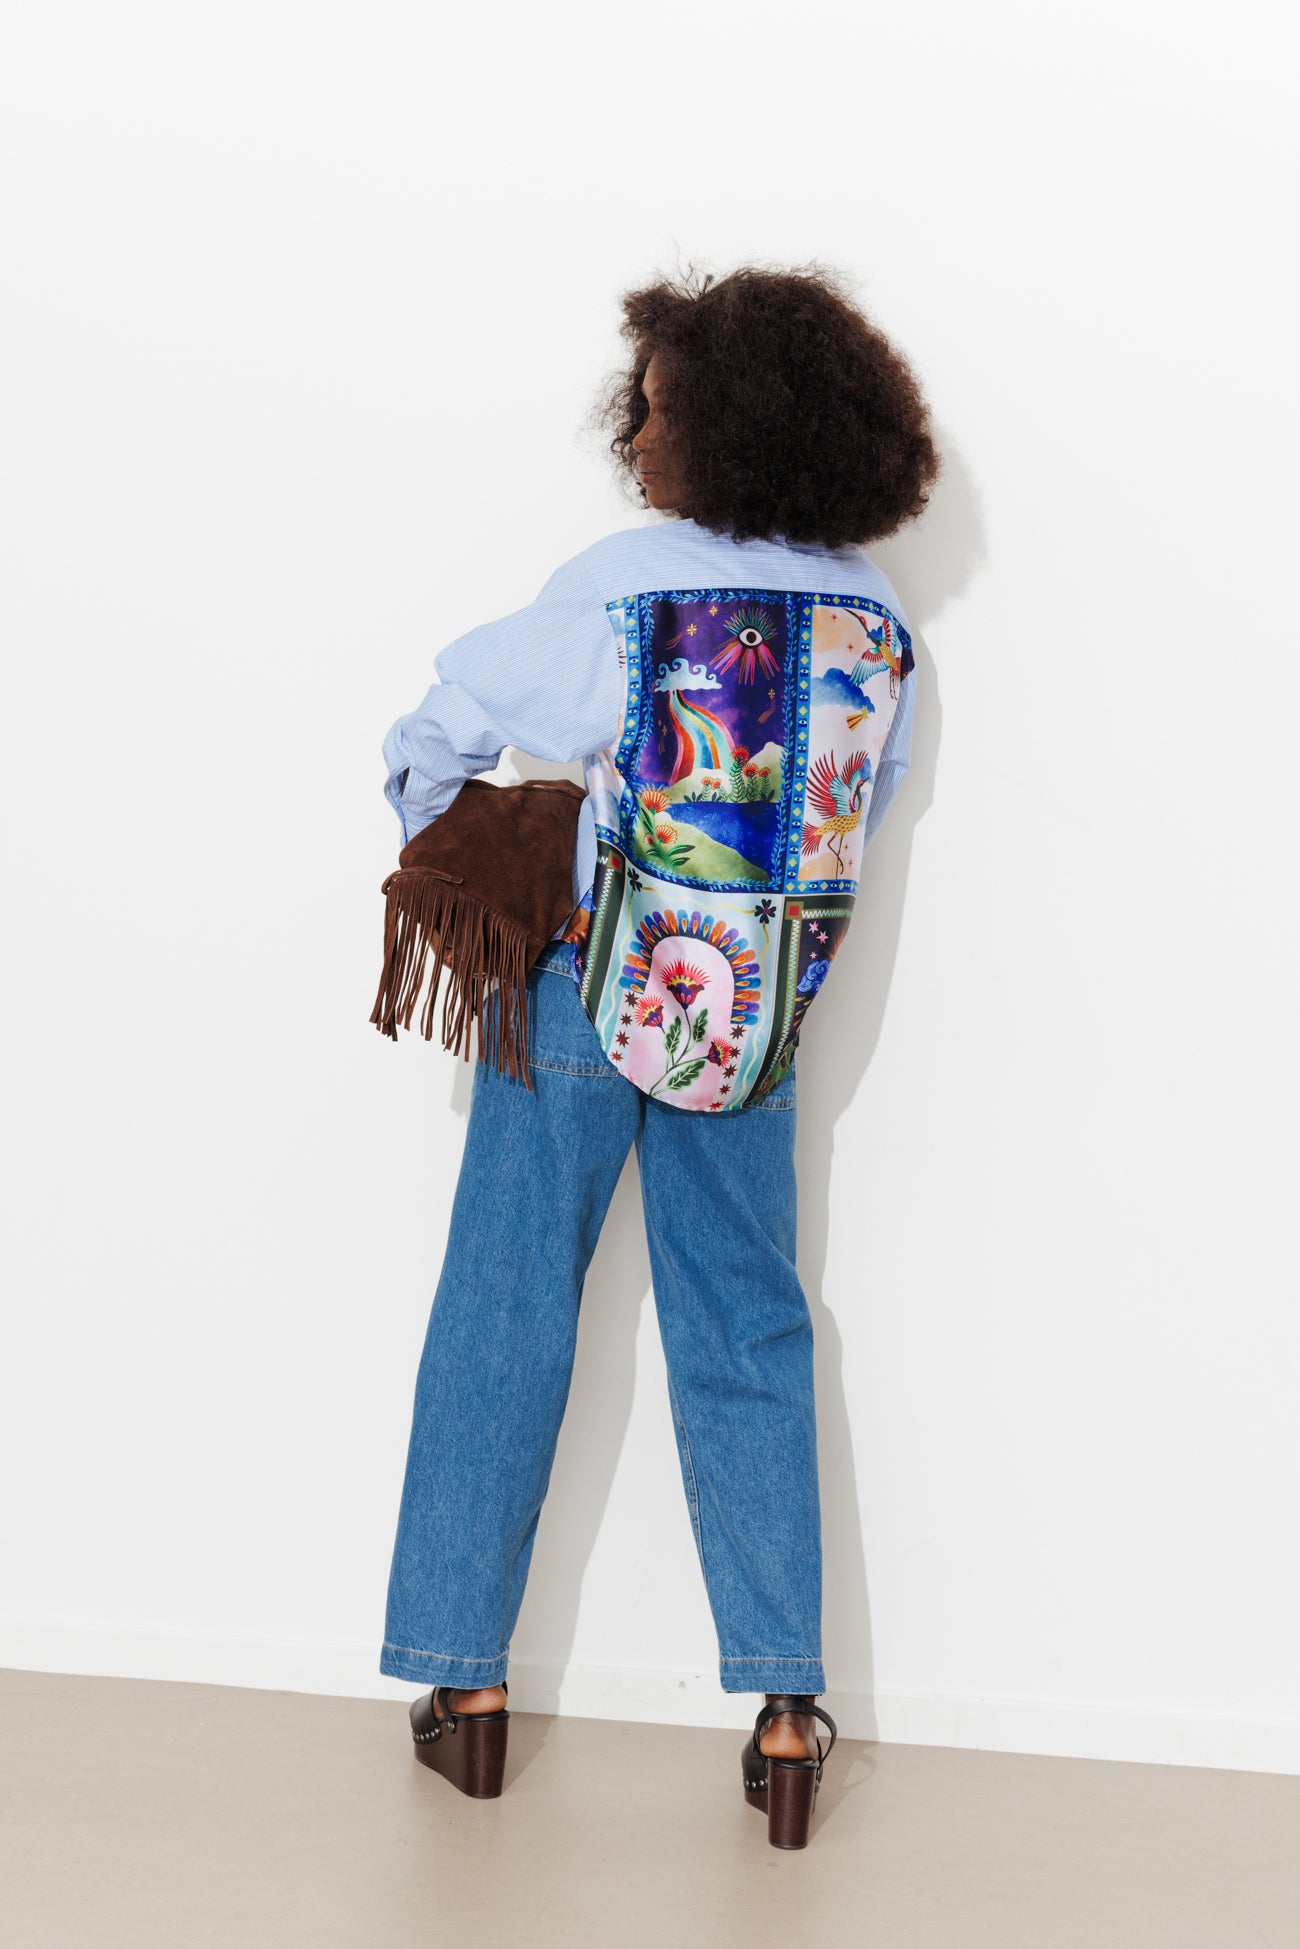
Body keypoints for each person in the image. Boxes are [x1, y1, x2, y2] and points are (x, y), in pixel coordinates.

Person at [376, 263, 939, 1848]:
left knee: (506, 1303)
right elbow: (854, 811)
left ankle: (468, 1690)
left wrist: (474, 829)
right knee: (750, 1326)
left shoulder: (625, 585)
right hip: (751, 1022)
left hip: (584, 985)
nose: (633, 431)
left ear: (710, 424)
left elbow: (437, 728)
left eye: (654, 405)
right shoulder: (879, 622)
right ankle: (787, 1713)